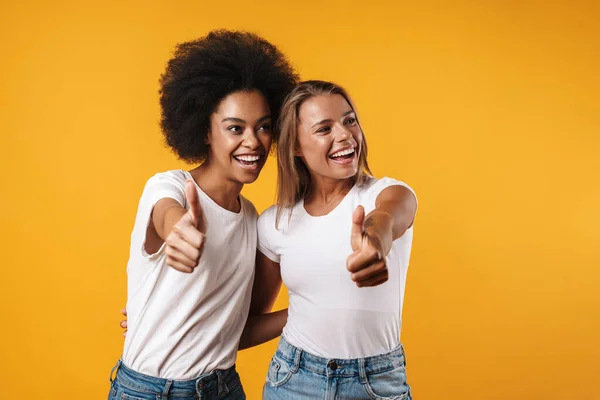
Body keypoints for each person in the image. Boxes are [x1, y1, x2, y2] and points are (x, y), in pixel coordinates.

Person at [108, 29, 298, 400]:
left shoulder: (251, 221)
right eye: (234, 128)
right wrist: (179, 232)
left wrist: (306, 311)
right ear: (205, 132)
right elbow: (167, 215)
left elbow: (237, 330)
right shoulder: (170, 187)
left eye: (262, 127)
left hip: (223, 387)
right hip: (149, 391)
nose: (253, 141)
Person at [253, 80, 418, 399]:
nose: (344, 134)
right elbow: (247, 326)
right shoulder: (274, 223)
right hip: (292, 379)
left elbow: (387, 217)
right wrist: (162, 317)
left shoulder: (386, 194)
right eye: (323, 128)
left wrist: (375, 242)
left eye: (349, 120)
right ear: (296, 146)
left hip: (376, 384)